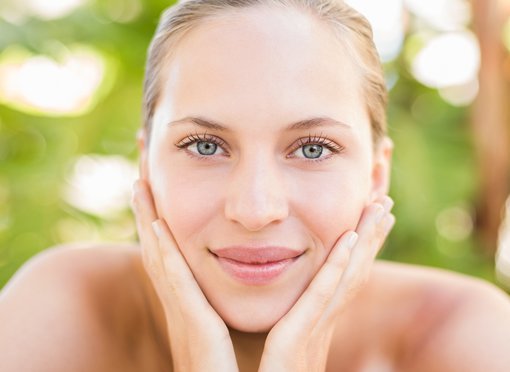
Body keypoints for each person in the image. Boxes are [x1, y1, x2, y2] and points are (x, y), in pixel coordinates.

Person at [1, 0, 510, 371]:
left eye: (313, 148)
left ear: (376, 176)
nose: (255, 208)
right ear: (146, 164)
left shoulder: (467, 339)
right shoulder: (66, 308)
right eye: (205, 146)